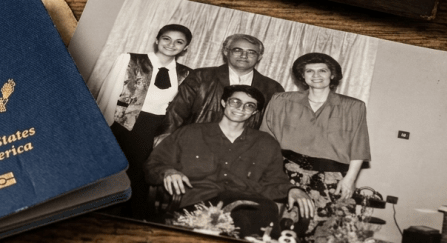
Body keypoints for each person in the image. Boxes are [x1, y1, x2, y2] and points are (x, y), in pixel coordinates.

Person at [145, 85, 314, 237]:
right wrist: (168, 171)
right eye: (235, 102)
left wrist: (293, 189)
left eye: (249, 105)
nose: (241, 108)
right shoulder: (190, 133)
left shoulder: (266, 143)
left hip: (248, 208)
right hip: (197, 205)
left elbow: (274, 181)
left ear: (255, 112)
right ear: (224, 103)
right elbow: (154, 164)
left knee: (258, 210)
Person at [260, 52, 371, 240]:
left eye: (322, 71)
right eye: (309, 71)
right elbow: (265, 140)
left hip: (331, 179)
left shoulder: (353, 106)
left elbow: (359, 145)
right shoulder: (281, 100)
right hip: (285, 174)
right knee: (277, 230)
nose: (316, 75)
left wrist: (350, 179)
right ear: (302, 76)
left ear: (332, 75)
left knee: (325, 232)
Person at [94, 23, 193, 218]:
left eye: (179, 42)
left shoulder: (186, 73)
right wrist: (102, 128)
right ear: (157, 40)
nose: (171, 44)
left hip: (155, 130)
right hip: (123, 125)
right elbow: (108, 94)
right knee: (113, 173)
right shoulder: (130, 60)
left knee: (140, 177)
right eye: (166, 39)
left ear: (185, 48)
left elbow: (179, 109)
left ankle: (127, 218)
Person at [159, 34, 284, 141]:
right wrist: (167, 135)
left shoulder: (272, 88)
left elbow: (274, 126)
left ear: (260, 56)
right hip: (196, 141)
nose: (244, 55)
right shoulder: (201, 76)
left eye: (251, 52)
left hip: (243, 148)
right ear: (225, 52)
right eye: (237, 50)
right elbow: (177, 111)